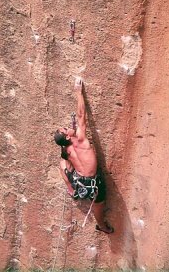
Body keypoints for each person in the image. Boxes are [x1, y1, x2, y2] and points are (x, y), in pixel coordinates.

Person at [54, 77, 114, 234]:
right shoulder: (80, 140)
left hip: (78, 182)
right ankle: (101, 226)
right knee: (98, 205)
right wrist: (78, 92)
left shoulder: (65, 151)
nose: (68, 127)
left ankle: (71, 190)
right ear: (67, 137)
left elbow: (65, 164)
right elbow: (81, 115)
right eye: (66, 129)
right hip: (93, 183)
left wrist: (70, 180)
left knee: (62, 165)